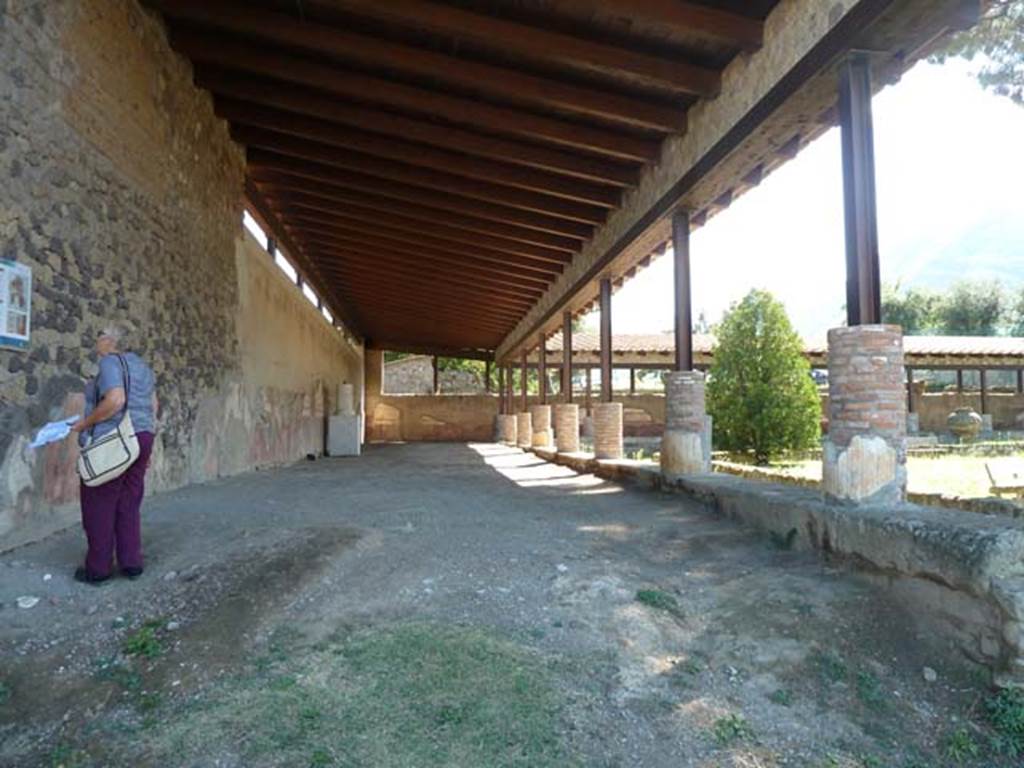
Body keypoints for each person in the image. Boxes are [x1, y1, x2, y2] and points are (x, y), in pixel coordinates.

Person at [70, 326, 158, 584]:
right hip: (142, 435)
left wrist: (84, 424)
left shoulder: (109, 362)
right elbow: (154, 405)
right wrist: (145, 438)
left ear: (110, 341)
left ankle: (98, 569)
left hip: (113, 439)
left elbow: (116, 400)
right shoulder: (143, 367)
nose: (97, 341)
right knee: (129, 501)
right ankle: (131, 563)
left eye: (100, 336)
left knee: (99, 501)